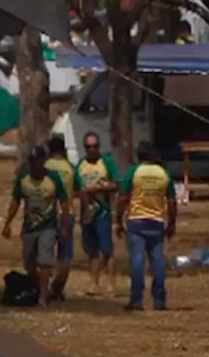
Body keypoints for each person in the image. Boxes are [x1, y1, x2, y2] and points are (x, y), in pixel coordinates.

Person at [2, 145, 71, 308]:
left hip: (48, 226)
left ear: (43, 161)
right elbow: (15, 202)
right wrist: (8, 223)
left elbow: (64, 203)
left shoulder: (53, 179)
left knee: (45, 261)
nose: (35, 165)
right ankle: (43, 285)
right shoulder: (23, 178)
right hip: (29, 227)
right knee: (29, 263)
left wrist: (65, 226)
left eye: (38, 161)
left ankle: (42, 298)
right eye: (32, 161)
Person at [116, 142, 178, 311]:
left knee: (137, 261)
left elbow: (122, 198)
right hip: (157, 221)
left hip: (136, 220)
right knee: (157, 261)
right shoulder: (163, 173)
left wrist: (118, 220)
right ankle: (159, 301)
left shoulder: (133, 172)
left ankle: (136, 300)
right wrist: (172, 223)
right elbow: (172, 202)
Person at [76, 131, 120, 295]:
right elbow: (77, 187)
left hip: (102, 212)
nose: (92, 150)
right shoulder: (80, 165)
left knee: (106, 249)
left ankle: (111, 284)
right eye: (88, 147)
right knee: (91, 250)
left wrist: (99, 189)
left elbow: (117, 184)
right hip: (86, 213)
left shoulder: (106, 162)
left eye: (95, 146)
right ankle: (94, 283)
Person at [43, 136, 85, 302]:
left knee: (45, 253)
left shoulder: (44, 167)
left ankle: (45, 289)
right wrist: (86, 211)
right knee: (65, 254)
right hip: (67, 214)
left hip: (47, 214)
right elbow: (80, 191)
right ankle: (57, 289)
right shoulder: (70, 168)